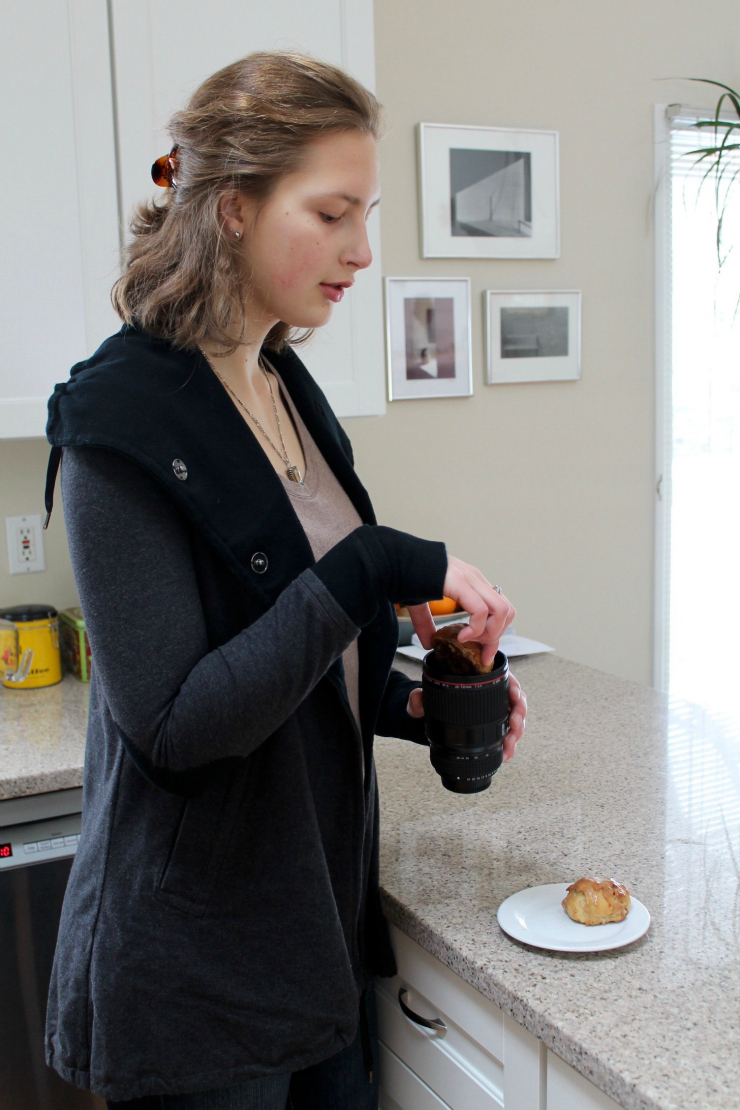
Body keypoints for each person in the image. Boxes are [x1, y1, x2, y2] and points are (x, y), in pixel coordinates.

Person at [42, 51, 527, 1110]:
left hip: (306, 932)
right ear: (231, 210)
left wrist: (425, 697)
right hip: (193, 977)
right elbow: (174, 725)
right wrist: (379, 565)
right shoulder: (118, 424)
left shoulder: (277, 375)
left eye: (370, 214)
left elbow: (293, 665)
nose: (361, 251)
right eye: (332, 212)